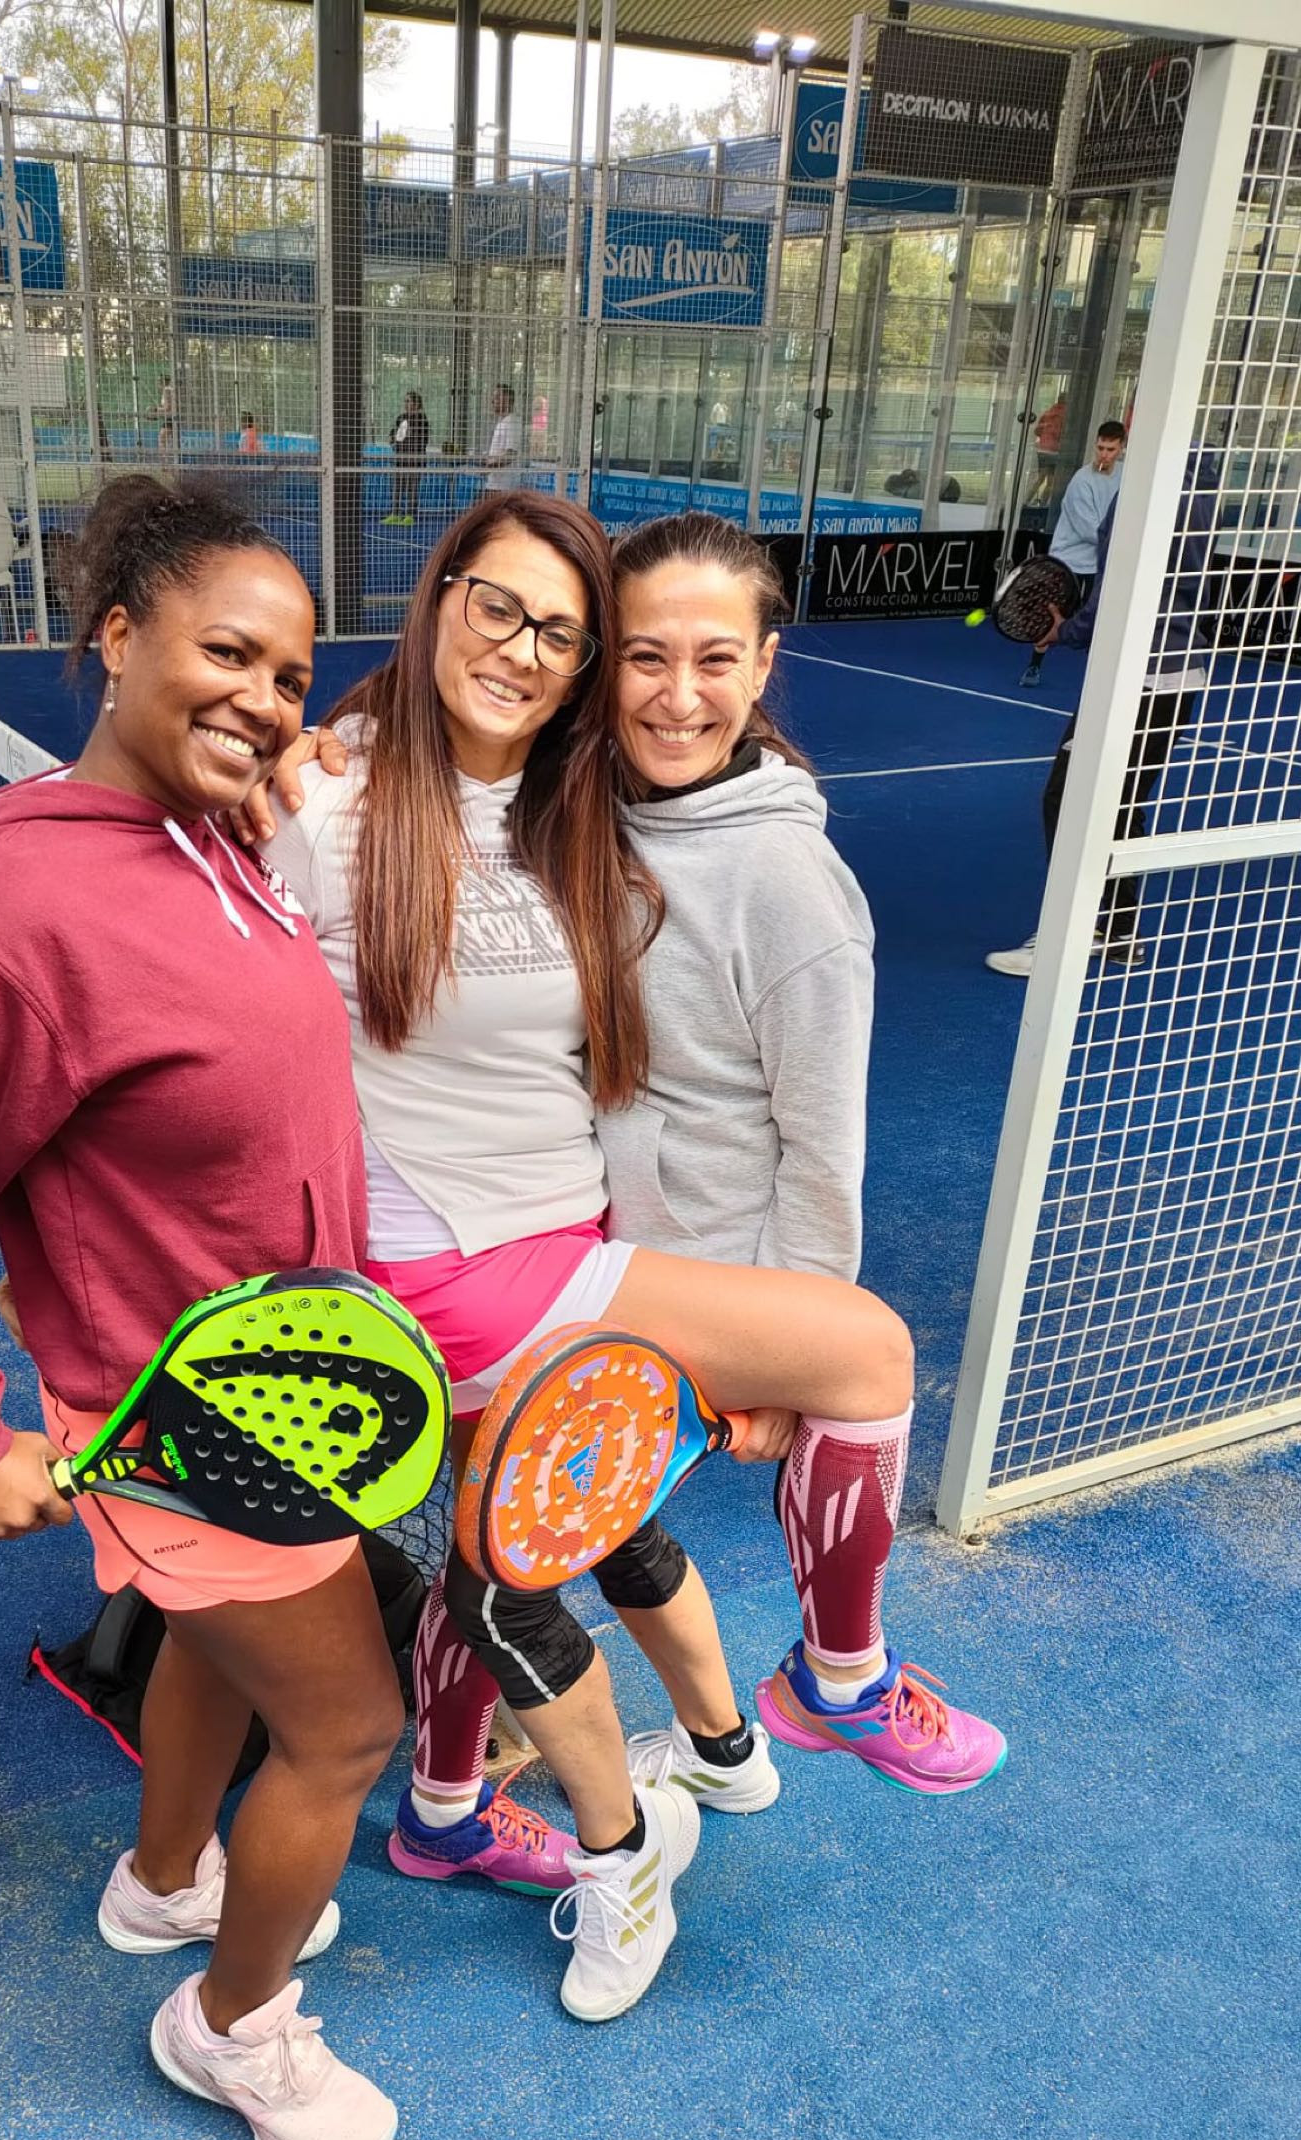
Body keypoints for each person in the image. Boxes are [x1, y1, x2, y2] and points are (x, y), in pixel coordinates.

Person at [256, 494, 957, 2025]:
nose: (525, 650)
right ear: (440, 597)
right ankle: (796, 1709)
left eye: (563, 635)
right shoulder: (330, 801)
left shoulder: (569, 802)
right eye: (497, 608)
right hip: (455, 1268)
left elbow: (705, 820)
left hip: (565, 1236)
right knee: (866, 1352)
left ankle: (446, 1809)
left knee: (501, 1554)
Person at [0, 478, 406, 2140]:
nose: (265, 699)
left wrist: (273, 763)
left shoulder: (203, 841)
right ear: (118, 636)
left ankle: (163, 1883)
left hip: (270, 1387)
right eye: (229, 653)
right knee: (346, 1727)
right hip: (192, 1421)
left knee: (213, 1650)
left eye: (289, 676)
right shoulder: (21, 921)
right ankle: (231, 2029)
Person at [601, 509, 1004, 1789]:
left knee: (865, 1359)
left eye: (716, 659)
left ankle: (842, 1676)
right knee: (516, 1551)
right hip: (574, 1242)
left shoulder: (787, 878)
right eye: (646, 655)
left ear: (765, 665)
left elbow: (824, 1147)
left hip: (698, 1268)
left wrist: (793, 1347)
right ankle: (454, 1792)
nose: (678, 696)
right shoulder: (578, 802)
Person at [987, 447, 1219, 980]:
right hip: (1181, 674)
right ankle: (1117, 931)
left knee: (1067, 797)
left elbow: (1120, 587)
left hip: (1132, 679)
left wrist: (1065, 630)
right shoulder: (1207, 494)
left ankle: (1073, 930)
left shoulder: (1145, 493)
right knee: (1122, 802)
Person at [1021, 420, 1126, 686]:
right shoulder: (1081, 481)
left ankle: (1099, 679)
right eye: (1100, 448)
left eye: (1111, 450)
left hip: (1099, 563)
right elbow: (1090, 531)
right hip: (1067, 560)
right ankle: (1034, 667)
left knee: (1101, 621)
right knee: (1051, 615)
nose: (1104, 455)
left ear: (1121, 449)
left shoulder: (1126, 476)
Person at [383, 390, 430, 526]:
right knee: (397, 486)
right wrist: (392, 438)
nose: (406, 404)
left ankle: (410, 515)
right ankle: (395, 514)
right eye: (405, 401)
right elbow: (395, 435)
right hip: (400, 458)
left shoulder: (421, 419)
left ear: (416, 404)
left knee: (412, 487)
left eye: (408, 401)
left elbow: (420, 439)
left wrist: (406, 438)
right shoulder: (401, 418)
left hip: (414, 459)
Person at [1028, 389, 1068, 505]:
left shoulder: (1048, 412)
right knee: (1051, 482)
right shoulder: (1066, 415)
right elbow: (1060, 434)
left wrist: (1045, 437)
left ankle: (1026, 501)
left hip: (1042, 449)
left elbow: (1037, 431)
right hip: (1055, 451)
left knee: (1039, 479)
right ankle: (1043, 504)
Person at [483, 385, 521, 490]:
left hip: (503, 486)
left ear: (506, 400)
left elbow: (510, 455)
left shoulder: (512, 422)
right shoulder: (503, 422)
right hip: (495, 483)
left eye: (496, 397)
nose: (492, 401)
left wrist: (488, 467)